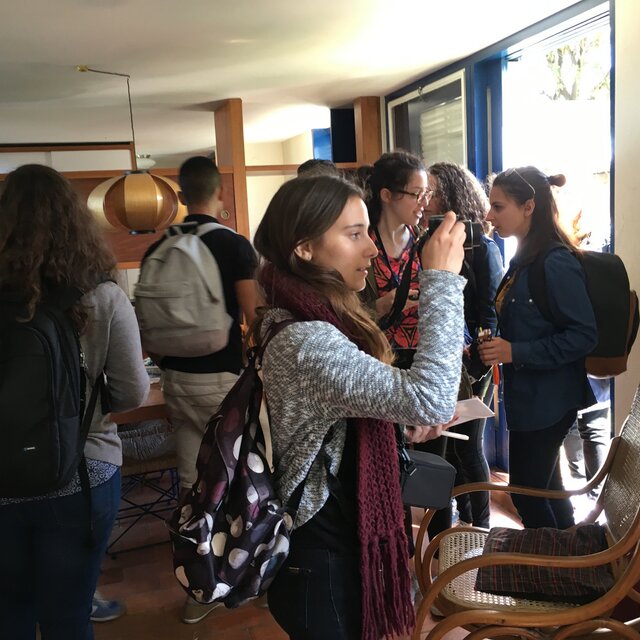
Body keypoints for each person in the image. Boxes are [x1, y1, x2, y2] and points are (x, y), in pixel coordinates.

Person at [251, 174, 467, 640]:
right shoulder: (308, 340)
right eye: (354, 234)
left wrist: (400, 427)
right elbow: (432, 397)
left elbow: (332, 422)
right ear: (304, 248)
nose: (371, 248)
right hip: (323, 568)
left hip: (329, 552)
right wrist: (443, 281)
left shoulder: (312, 316)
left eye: (368, 231)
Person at [0, 164, 149, 640]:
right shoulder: (102, 296)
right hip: (82, 474)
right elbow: (132, 392)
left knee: (8, 613)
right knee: (68, 616)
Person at [143, 155, 260, 624]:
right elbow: (255, 316)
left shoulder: (158, 247)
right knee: (243, 483)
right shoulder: (232, 244)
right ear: (220, 193)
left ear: (179, 194)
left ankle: (198, 590)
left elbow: (149, 326)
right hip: (223, 385)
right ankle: (249, 577)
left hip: (175, 382)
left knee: (194, 490)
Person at [478, 166, 598, 529]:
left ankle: (549, 560)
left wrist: (514, 352)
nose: (489, 216)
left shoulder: (554, 261)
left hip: (549, 402)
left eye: (499, 207)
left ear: (529, 207)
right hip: (531, 399)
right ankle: (571, 557)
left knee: (527, 495)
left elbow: (583, 335)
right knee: (547, 489)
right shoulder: (524, 260)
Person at [359, 150, 454, 541]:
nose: (424, 204)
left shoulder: (427, 244)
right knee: (392, 467)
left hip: (426, 360)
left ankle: (441, 553)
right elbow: (346, 316)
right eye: (416, 194)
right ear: (387, 195)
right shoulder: (362, 245)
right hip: (381, 365)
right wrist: (378, 307)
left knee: (435, 469)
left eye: (426, 194)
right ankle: (398, 550)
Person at [424, 162, 503, 529]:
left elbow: (490, 315)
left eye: (433, 192)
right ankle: (464, 521)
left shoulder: (483, 249)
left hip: (474, 363)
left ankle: (482, 528)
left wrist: (476, 360)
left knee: (468, 446)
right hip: (445, 360)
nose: (426, 199)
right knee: (451, 448)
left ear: (452, 196)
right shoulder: (428, 245)